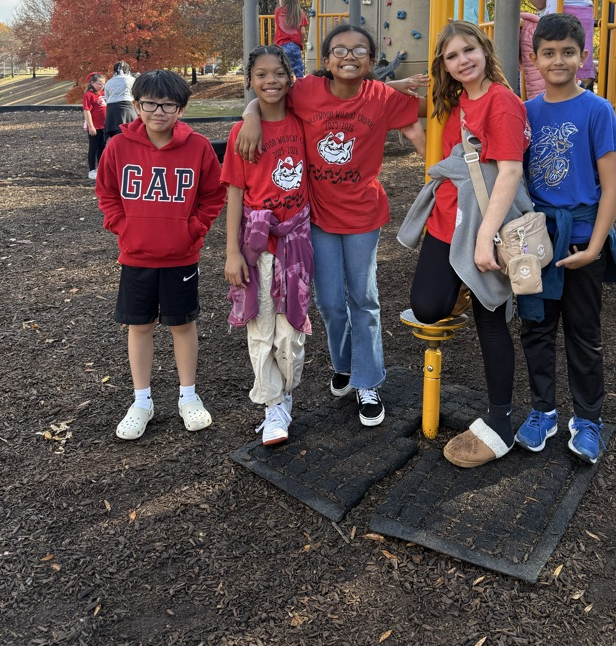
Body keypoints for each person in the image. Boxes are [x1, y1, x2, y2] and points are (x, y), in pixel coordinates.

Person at [235, 23, 426, 428]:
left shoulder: (381, 96)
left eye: (360, 50)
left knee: (364, 298)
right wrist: (250, 112)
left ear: (371, 62)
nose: (349, 56)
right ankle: (343, 365)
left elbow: (423, 114)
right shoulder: (305, 93)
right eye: (340, 49)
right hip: (317, 217)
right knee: (329, 304)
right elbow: (269, 93)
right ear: (326, 61)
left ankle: (368, 380)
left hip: (362, 217)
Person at [405, 20, 531, 468]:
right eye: (453, 55)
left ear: (484, 50)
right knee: (425, 307)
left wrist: (484, 238)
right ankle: (460, 284)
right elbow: (449, 163)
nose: (463, 60)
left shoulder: (502, 102)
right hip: (448, 220)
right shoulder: (455, 103)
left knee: (490, 317)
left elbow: (510, 172)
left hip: (486, 223)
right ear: (445, 64)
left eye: (469, 50)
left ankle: (501, 421)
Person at [515, 13, 616, 466]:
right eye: (549, 53)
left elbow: (612, 186)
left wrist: (595, 246)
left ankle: (588, 419)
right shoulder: (526, 113)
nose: (558, 60)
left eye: (568, 52)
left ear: (583, 57)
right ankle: (543, 410)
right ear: (536, 58)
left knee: (584, 333)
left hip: (583, 236)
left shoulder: (598, 110)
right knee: (536, 328)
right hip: (538, 242)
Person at [96, 70, 225, 440]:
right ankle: (142, 401)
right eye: (150, 104)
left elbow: (213, 195)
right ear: (136, 105)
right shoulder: (119, 147)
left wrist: (192, 230)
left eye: (169, 105)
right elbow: (106, 192)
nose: (159, 112)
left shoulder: (198, 146)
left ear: (181, 108)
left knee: (182, 325)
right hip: (136, 255)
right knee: (140, 326)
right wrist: (123, 226)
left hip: (180, 256)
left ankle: (188, 396)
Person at [221, 45, 313, 446]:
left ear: (290, 78)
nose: (270, 81)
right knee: (260, 330)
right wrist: (232, 252)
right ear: (250, 80)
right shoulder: (243, 133)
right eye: (261, 74)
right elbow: (236, 195)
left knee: (290, 334)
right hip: (257, 245)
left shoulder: (303, 123)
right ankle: (272, 403)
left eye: (278, 73)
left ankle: (287, 391)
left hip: (297, 243)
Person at [274, 0, 309, 79]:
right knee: (298, 70)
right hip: (295, 46)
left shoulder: (278, 11)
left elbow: (277, 27)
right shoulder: (300, 13)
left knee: (282, 70)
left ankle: (285, 88)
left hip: (281, 45)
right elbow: (303, 32)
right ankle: (300, 89)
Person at [104, 61, 136, 142]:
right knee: (131, 131)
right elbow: (137, 95)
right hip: (128, 107)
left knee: (115, 135)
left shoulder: (109, 82)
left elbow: (107, 98)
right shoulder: (132, 80)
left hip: (112, 109)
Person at [82, 72, 106, 180]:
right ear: (92, 83)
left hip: (104, 125)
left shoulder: (103, 93)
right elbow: (87, 111)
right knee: (93, 148)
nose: (102, 86)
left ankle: (100, 168)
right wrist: (91, 126)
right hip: (95, 125)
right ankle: (92, 170)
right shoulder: (88, 95)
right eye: (99, 84)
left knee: (102, 147)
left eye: (103, 84)